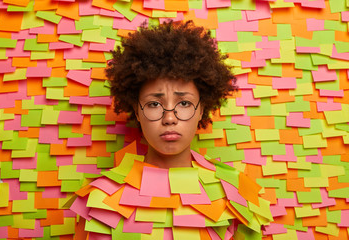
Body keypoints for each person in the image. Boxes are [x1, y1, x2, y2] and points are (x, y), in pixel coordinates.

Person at [71, 20, 272, 240]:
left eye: (184, 104)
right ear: (137, 112)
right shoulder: (99, 200)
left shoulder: (236, 194)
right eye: (154, 104)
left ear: (201, 109)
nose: (169, 118)